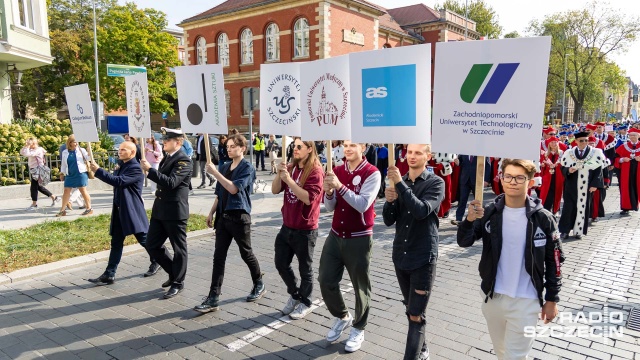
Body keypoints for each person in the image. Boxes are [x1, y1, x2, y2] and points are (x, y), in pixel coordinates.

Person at [457, 158, 565, 360]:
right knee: (502, 353)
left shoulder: (543, 218)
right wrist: (469, 220)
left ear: (530, 182)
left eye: (519, 178)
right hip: (493, 298)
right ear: (501, 179)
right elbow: (464, 242)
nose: (513, 182)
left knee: (515, 356)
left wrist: (552, 299)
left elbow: (555, 262)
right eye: (508, 176)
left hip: (527, 301)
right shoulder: (490, 212)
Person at [383, 144, 444, 360]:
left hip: (423, 258)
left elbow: (421, 211)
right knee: (411, 308)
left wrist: (399, 184)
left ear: (428, 156)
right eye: (409, 152)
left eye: (418, 152)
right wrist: (389, 201)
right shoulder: (401, 183)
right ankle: (422, 347)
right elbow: (389, 220)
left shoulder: (436, 182)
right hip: (401, 255)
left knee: (416, 314)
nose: (412, 156)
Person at [319, 140, 381, 353]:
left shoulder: (372, 173)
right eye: (345, 144)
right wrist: (328, 193)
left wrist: (338, 187)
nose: (348, 148)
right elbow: (329, 207)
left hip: (359, 237)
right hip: (336, 235)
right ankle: (343, 316)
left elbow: (363, 204)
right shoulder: (336, 170)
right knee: (326, 279)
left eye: (353, 145)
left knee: (360, 286)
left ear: (363, 147)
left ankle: (359, 327)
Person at [195, 134, 263, 313]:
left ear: (242, 148)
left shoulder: (247, 167)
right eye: (228, 146)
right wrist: (211, 212)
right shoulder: (225, 166)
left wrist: (215, 173)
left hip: (239, 217)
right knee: (218, 257)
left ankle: (258, 283)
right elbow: (220, 192)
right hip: (223, 217)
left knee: (246, 253)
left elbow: (233, 188)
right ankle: (213, 297)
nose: (229, 149)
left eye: (233, 146)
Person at [87, 141, 157, 285]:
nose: (120, 152)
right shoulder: (122, 165)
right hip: (120, 210)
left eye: (123, 150)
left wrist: (99, 170)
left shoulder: (136, 168)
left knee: (145, 240)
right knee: (116, 242)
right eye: (119, 149)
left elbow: (118, 181)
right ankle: (109, 274)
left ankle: (159, 260)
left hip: (131, 210)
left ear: (132, 153)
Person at [271, 138, 324, 319]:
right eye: (294, 145)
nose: (295, 149)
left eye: (299, 146)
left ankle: (306, 301)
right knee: (280, 263)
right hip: (287, 226)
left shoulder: (315, 171)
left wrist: (290, 181)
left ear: (310, 149)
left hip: (305, 229)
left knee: (305, 269)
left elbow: (308, 198)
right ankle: (295, 294)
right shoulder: (292, 167)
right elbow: (274, 189)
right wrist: (280, 174)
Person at [140, 128, 192, 299]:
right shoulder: (167, 158)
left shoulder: (183, 160)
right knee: (151, 244)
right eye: (164, 139)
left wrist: (150, 171)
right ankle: (172, 272)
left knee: (179, 249)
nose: (163, 142)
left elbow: (171, 183)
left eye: (167, 140)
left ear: (178, 142)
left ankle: (178, 282)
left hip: (175, 212)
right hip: (160, 210)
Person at [558, 131, 606, 239]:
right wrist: (568, 170)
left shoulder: (595, 152)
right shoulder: (569, 153)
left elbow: (598, 170)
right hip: (571, 185)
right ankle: (564, 230)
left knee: (583, 208)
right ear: (576, 141)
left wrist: (595, 184)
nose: (584, 142)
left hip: (586, 186)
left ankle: (578, 231)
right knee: (568, 208)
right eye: (581, 141)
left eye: (586, 140)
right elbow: (562, 167)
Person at [57, 135, 92, 217]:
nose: (76, 143)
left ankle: (89, 208)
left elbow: (89, 158)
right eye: (74, 142)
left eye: (77, 142)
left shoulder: (81, 150)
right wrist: (62, 173)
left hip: (80, 173)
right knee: (66, 191)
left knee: (83, 190)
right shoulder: (65, 152)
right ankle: (62, 210)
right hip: (70, 174)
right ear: (70, 143)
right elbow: (63, 164)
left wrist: (89, 151)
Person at [21, 138, 59, 211]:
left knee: (33, 187)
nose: (31, 145)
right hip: (34, 170)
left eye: (32, 143)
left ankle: (34, 204)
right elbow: (22, 152)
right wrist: (26, 146)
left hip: (38, 170)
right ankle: (54, 197)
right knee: (38, 187)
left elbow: (27, 154)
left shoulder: (38, 150)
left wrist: (27, 147)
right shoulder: (31, 149)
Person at [452, 154, 490, 226]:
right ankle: (458, 219)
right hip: (465, 180)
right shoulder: (464, 152)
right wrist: (458, 162)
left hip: (477, 180)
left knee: (478, 201)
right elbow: (461, 163)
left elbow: (488, 166)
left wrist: (486, 180)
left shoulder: (482, 152)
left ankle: (480, 219)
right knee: (462, 199)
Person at [614, 128, 640, 215]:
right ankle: (626, 207)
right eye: (631, 135)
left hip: (638, 171)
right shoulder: (623, 147)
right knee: (626, 188)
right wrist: (622, 159)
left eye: (634, 135)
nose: (632, 137)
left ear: (638, 136)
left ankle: (636, 205)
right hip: (626, 171)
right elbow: (616, 159)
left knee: (637, 187)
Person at [539, 137, 565, 215]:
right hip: (547, 177)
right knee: (547, 194)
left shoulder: (562, 153)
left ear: (558, 143)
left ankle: (555, 210)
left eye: (555, 142)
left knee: (557, 193)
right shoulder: (545, 154)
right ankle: (546, 210)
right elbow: (541, 165)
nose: (553, 144)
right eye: (552, 142)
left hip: (558, 177)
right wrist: (542, 165)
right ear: (549, 144)